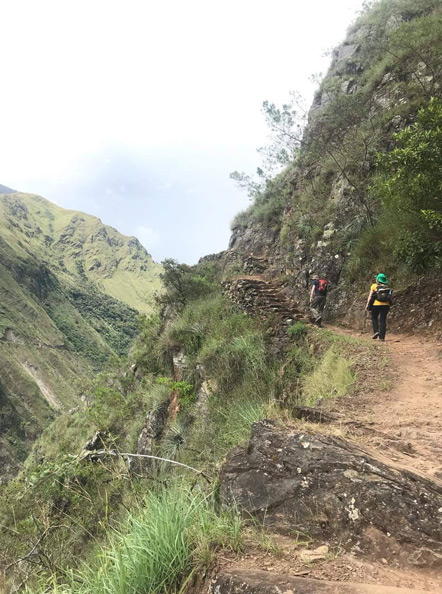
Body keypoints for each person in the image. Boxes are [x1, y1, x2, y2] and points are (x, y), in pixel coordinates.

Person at [366, 273, 392, 341]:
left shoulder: (374, 286)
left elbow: (370, 296)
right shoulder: (387, 286)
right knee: (383, 320)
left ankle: (376, 331)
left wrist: (368, 305)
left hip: (376, 305)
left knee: (374, 318)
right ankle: (382, 337)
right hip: (386, 305)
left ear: (377, 280)